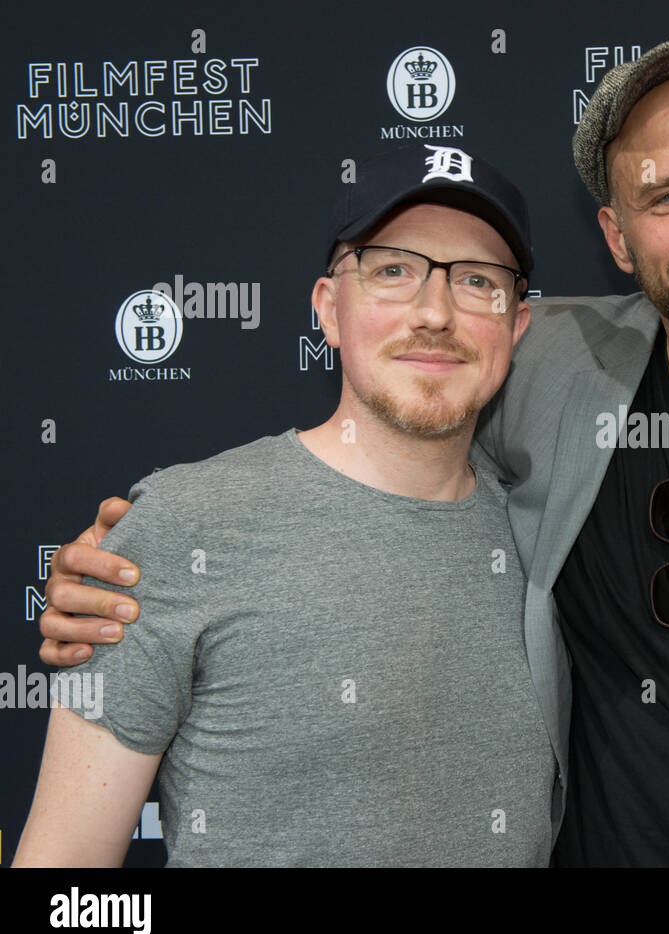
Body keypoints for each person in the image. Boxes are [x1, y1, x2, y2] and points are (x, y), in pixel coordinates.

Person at [39, 35, 669, 866]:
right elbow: (373, 447)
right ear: (620, 239)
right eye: (666, 195)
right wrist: (143, 562)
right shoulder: (543, 366)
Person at [16, 144, 556, 866]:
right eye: (392, 270)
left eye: (477, 281)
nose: (435, 312)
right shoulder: (181, 526)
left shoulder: (549, 534)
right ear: (330, 310)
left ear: (516, 325)